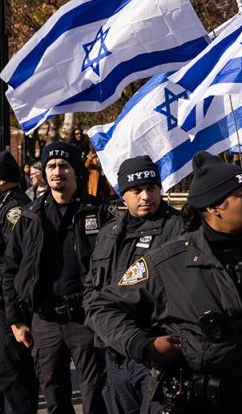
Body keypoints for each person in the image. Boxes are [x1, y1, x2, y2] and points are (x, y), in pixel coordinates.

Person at [85, 151, 242, 414]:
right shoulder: (168, 261)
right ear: (214, 207)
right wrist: (144, 345)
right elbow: (102, 308)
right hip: (195, 401)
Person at [2, 142, 110, 414]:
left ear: (76, 172)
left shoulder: (98, 212)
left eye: (64, 165)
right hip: (45, 320)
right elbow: (11, 269)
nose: (57, 171)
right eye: (51, 165)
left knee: (95, 394)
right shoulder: (30, 216)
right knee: (54, 395)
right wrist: (16, 319)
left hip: (87, 319)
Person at [83, 155, 183, 414]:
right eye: (136, 190)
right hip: (115, 355)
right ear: (123, 194)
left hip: (156, 356)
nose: (145, 196)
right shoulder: (109, 232)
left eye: (151, 188)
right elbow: (92, 289)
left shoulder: (179, 229)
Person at [0, 152, 39, 414]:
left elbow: (18, 258)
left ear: (1, 180)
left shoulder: (16, 209)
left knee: (15, 384)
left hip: (5, 310)